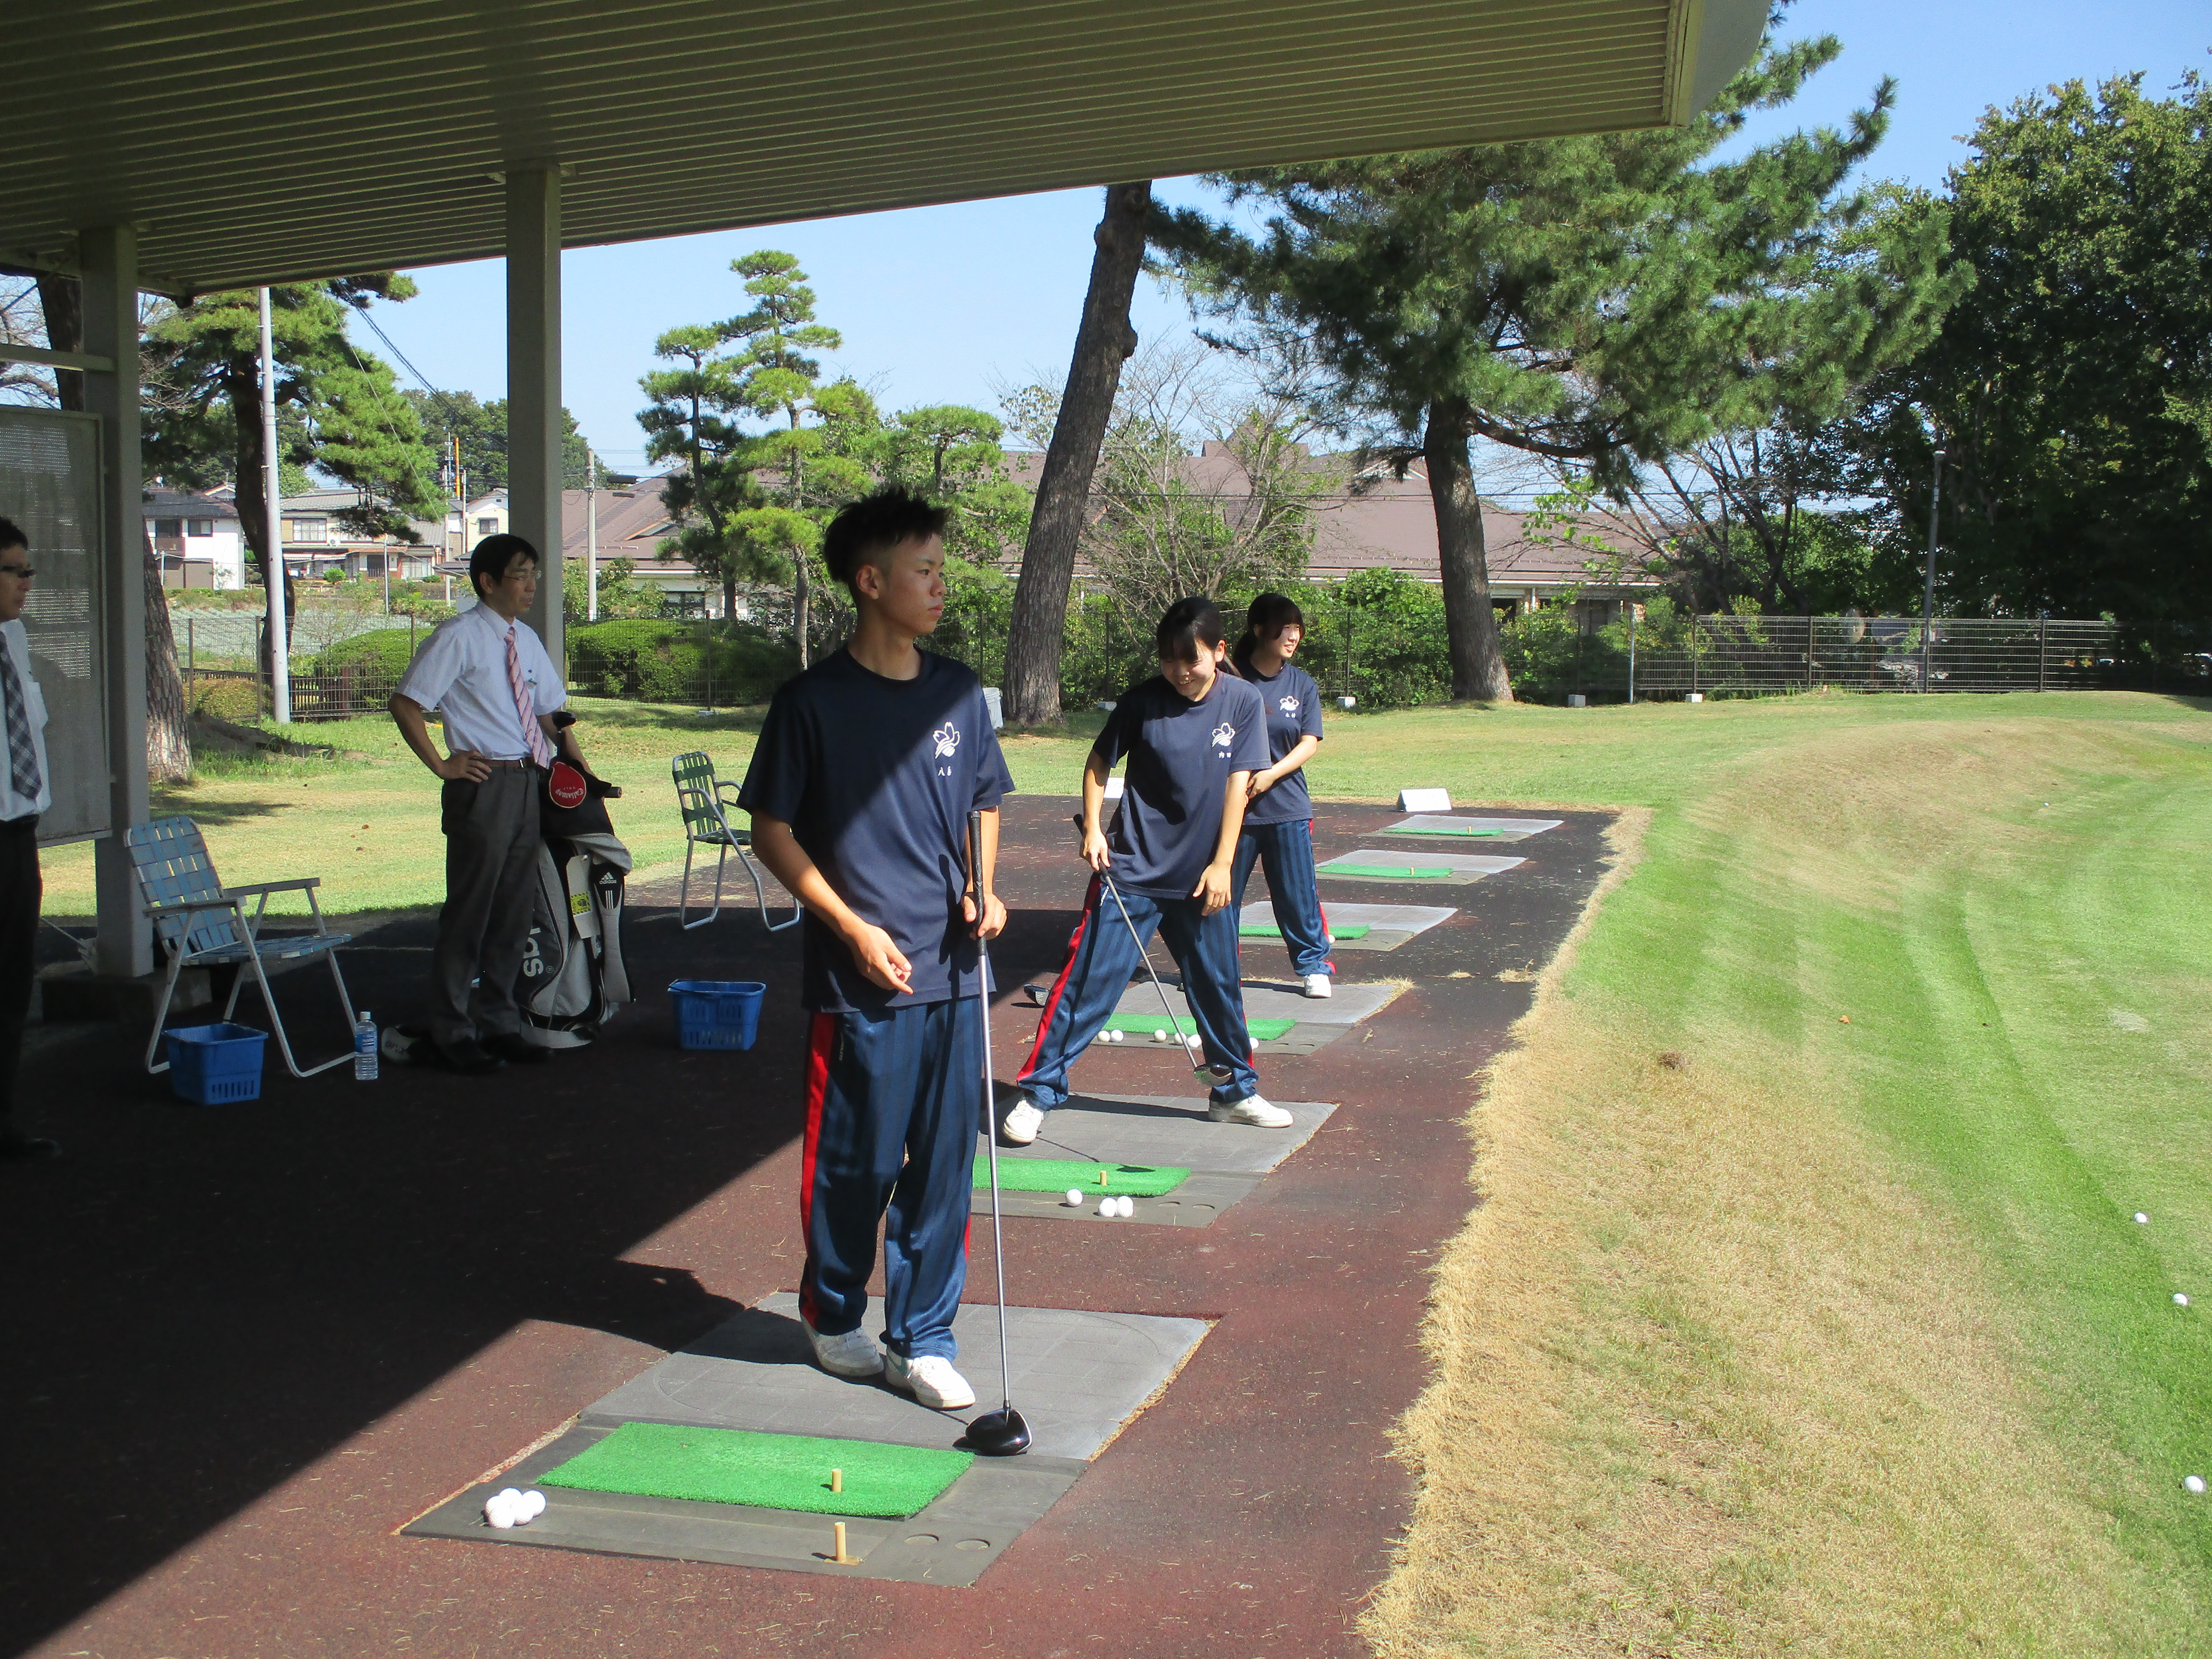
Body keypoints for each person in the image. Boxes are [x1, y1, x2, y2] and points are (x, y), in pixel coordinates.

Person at [740, 486, 1013, 1413]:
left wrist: (984, 886)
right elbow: (772, 830)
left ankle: (924, 1336)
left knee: (944, 1163)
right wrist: (850, 927)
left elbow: (986, 798)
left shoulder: (956, 693)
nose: (940, 586)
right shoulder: (810, 702)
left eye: (941, 569)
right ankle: (832, 1315)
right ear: (870, 581)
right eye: (923, 571)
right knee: (855, 1163)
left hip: (952, 969)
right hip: (858, 979)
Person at [1003, 596, 1294, 1146]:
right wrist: (1093, 828)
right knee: (1088, 984)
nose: (1181, 672)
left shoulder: (1243, 702)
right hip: (1131, 869)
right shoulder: (1143, 702)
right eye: (1169, 660)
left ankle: (1233, 1093)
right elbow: (1098, 763)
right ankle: (1039, 1092)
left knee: (1218, 987)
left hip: (1201, 876)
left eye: (1193, 659)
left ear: (1219, 651)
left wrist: (1223, 864)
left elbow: (1240, 788)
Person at [390, 534, 587, 1073]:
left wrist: (578, 765)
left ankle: (500, 1022)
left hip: (528, 781)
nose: (530, 584)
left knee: (514, 912)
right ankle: (451, 1028)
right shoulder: (459, 636)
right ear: (488, 581)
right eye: (521, 574)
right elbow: (407, 703)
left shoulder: (524, 638)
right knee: (471, 912)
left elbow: (549, 713)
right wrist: (442, 764)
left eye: (534, 573)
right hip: (483, 784)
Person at [1229, 592, 1331, 997]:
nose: (1293, 636)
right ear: (1259, 630)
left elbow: (1309, 743)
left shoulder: (1302, 684)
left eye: (1297, 628)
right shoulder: (1232, 681)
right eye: (1285, 628)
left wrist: (1271, 775)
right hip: (1236, 811)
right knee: (1222, 896)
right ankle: (1212, 968)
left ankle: (1312, 966)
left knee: (1297, 894)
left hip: (1288, 806)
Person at [0, 518, 57, 1162]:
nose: (27, 582)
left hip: (19, 835)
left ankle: (4, 1118)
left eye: (26, 568)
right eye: (13, 570)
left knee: (12, 982)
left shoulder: (13, 639)